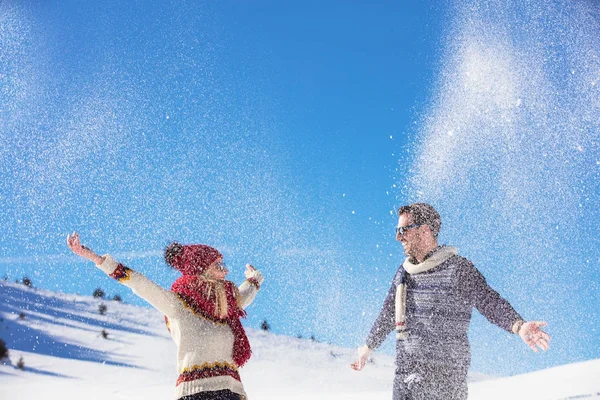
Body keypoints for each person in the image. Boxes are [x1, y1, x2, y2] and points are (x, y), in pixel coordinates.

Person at [350, 203, 550, 400]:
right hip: (406, 375)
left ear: (425, 230)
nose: (398, 236)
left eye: (404, 230)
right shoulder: (403, 274)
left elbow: (488, 300)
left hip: (445, 379)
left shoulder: (458, 269)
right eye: (397, 230)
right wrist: (367, 349)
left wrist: (518, 325)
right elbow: (388, 314)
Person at [67, 232, 264, 400]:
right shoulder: (178, 306)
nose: (226, 270)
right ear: (201, 270)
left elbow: (244, 296)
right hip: (195, 393)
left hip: (232, 392)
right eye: (218, 266)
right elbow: (139, 283)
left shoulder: (225, 304)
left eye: (224, 265)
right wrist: (98, 259)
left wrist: (253, 281)